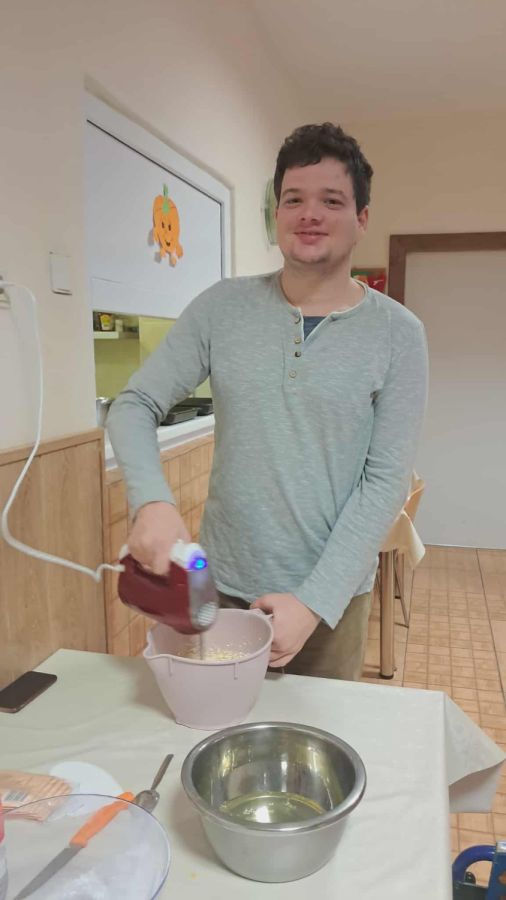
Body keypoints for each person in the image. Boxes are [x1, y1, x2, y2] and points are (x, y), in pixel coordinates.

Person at [107, 122, 428, 681]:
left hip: (331, 600)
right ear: (277, 215)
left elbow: (384, 482)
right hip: (220, 588)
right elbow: (133, 404)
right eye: (293, 199)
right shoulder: (221, 308)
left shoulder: (399, 334)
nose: (310, 214)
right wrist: (152, 501)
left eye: (331, 200)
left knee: (315, 733)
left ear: (362, 219)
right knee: (213, 724)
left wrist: (314, 602)